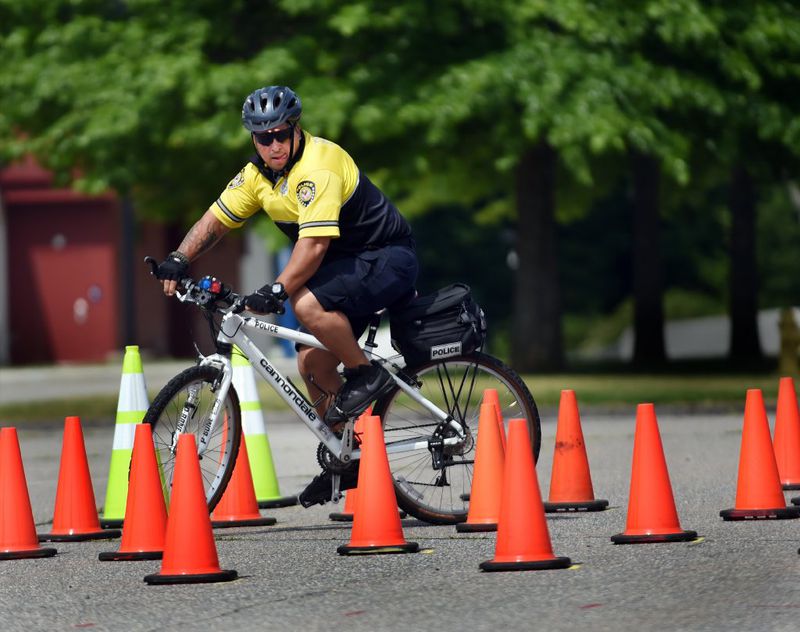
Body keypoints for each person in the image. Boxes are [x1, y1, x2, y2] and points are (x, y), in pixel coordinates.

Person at [156, 85, 419, 506]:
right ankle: (348, 459)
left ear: (296, 129)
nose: (274, 145)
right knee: (311, 363)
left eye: (281, 134)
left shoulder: (319, 166)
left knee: (306, 303)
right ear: (253, 138)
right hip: (345, 266)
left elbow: (313, 247)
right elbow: (215, 220)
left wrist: (276, 289)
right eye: (264, 137)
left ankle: (366, 374)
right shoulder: (257, 176)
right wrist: (179, 256)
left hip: (386, 257)